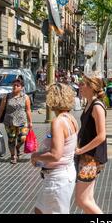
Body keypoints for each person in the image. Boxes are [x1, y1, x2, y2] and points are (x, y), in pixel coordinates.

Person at [31, 83, 78, 214]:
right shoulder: (71, 119)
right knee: (39, 210)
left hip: (57, 178)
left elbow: (56, 154)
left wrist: (36, 156)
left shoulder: (58, 122)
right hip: (64, 172)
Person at [75, 74, 107, 214]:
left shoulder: (97, 106)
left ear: (91, 87)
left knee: (82, 200)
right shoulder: (89, 103)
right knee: (88, 199)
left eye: (83, 84)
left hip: (91, 157)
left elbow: (101, 136)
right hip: (87, 155)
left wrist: (81, 150)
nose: (80, 87)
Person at [0, 79, 33, 164]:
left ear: (22, 87)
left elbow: (28, 110)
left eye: (17, 85)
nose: (15, 87)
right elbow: (1, 110)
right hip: (9, 122)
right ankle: (13, 156)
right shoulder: (7, 96)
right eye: (14, 85)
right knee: (11, 139)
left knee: (23, 138)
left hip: (22, 121)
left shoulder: (25, 97)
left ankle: (17, 148)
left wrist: (30, 122)